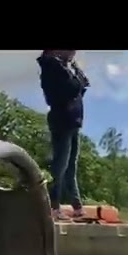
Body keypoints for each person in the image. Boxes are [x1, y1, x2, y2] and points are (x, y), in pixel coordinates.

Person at [37, 50, 89, 220]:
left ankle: (77, 206)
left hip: (73, 120)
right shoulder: (52, 66)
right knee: (60, 165)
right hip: (62, 120)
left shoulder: (66, 67)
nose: (73, 53)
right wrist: (77, 81)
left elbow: (81, 86)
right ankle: (52, 206)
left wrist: (78, 77)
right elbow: (71, 88)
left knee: (71, 166)